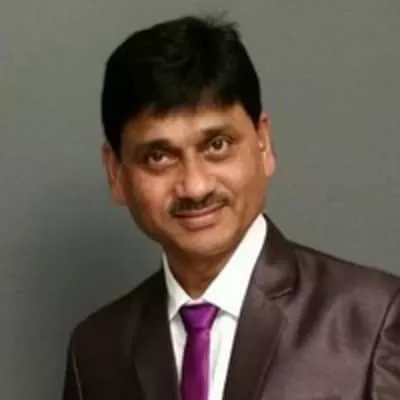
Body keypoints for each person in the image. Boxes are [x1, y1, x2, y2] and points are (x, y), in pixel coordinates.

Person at [62, 14, 400, 400]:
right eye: (159, 156)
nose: (195, 186)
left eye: (217, 145)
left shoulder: (375, 320)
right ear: (115, 173)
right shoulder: (96, 351)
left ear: (263, 144)